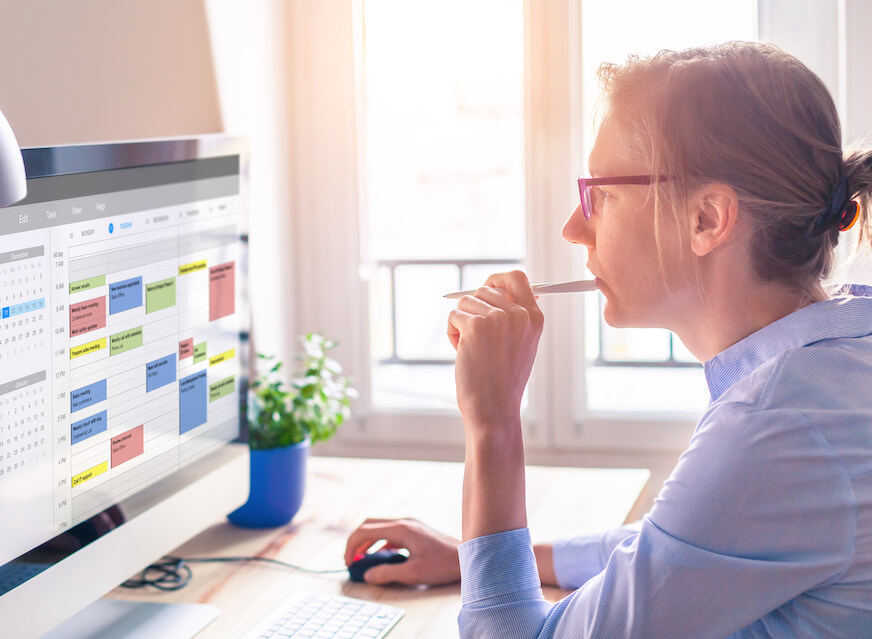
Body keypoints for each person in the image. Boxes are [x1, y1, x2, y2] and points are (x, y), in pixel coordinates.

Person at [344, 41, 872, 638]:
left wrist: (492, 421)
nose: (574, 228)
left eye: (601, 195)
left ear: (707, 218)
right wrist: (477, 559)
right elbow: (682, 548)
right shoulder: (838, 363)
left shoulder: (775, 427)